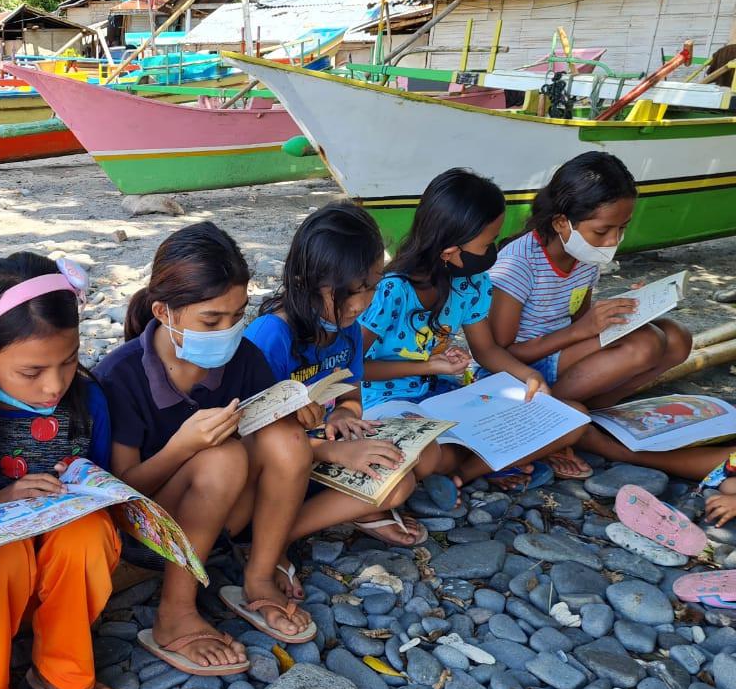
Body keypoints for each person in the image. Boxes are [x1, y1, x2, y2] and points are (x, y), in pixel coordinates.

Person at [94, 222, 315, 676]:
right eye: (211, 321)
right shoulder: (121, 375)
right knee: (224, 456)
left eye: (238, 316)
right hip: (147, 533)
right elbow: (119, 493)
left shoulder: (243, 357)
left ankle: (258, 576)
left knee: (287, 435)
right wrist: (182, 448)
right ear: (164, 311)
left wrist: (314, 433)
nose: (228, 331)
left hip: (223, 516)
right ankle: (174, 614)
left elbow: (274, 443)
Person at [0, 252, 120, 689]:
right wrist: (0, 500)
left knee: (88, 533)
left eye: (69, 361)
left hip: (65, 577)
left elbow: (101, 487)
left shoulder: (89, 402)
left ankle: (62, 677)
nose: (54, 385)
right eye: (31, 371)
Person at [489, 151, 730, 480]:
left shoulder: (583, 256)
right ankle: (548, 421)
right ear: (562, 222)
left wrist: (634, 306)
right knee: (644, 345)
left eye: (622, 228)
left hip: (560, 355)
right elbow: (497, 353)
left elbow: (580, 319)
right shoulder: (518, 264)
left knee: (676, 338)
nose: (613, 241)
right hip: (519, 375)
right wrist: (583, 331)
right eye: (603, 231)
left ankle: (586, 412)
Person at [360, 168, 587, 490]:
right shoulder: (390, 291)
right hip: (387, 403)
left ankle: (468, 471)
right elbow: (350, 365)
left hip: (444, 397)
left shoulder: (471, 281)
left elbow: (487, 350)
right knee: (429, 454)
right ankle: (491, 461)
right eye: (488, 242)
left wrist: (529, 377)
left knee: (572, 417)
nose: (493, 250)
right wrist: (426, 365)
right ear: (451, 251)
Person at [245, 202, 439, 565]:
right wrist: (332, 451)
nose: (361, 304)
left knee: (419, 464)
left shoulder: (345, 330)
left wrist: (343, 418)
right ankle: (272, 539)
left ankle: (292, 527)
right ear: (306, 282)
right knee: (393, 485)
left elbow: (351, 396)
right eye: (350, 292)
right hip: (276, 469)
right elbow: (251, 438)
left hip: (321, 447)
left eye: (372, 287)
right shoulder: (271, 335)